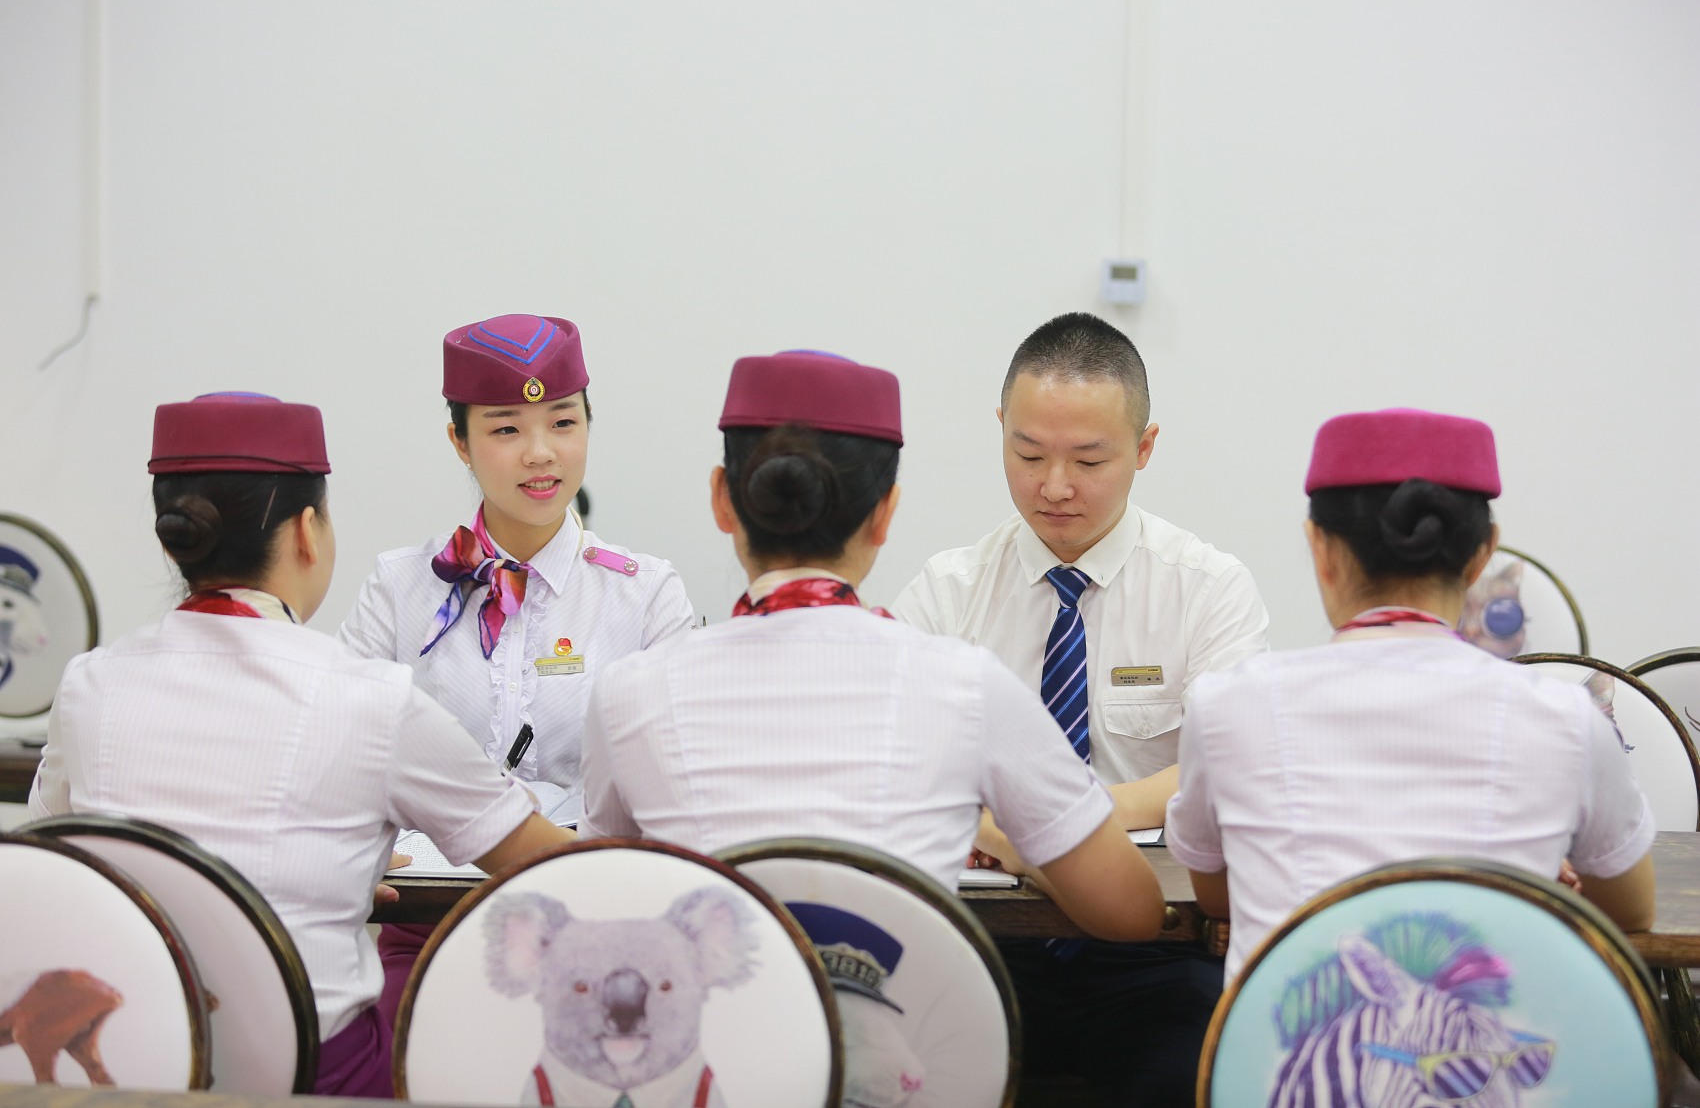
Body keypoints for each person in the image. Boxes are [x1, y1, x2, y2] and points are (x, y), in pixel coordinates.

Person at [30, 391, 575, 1096]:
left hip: (135, 1075)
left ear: (174, 540)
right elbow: (547, 861)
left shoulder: (90, 684)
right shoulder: (371, 696)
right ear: (308, 532)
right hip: (315, 1078)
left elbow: (58, 862)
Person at [579, 349, 1165, 946]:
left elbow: (596, 896)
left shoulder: (628, 694)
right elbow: (1131, 912)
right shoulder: (967, 687)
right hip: (905, 1008)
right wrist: (1014, 843)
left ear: (722, 500)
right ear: (885, 514)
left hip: (715, 1009)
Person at [891, 312, 1267, 1106]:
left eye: (1089, 459)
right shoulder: (947, 593)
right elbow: (896, 766)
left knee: (1195, 1071)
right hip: (978, 944)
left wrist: (1057, 825)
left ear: (1145, 446)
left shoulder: (1208, 589)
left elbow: (1228, 768)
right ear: (1000, 428)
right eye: (1028, 454)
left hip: (1155, 952)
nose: (1055, 485)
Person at [1165, 407, 1656, 981]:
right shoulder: (1568, 717)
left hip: (1280, 1039)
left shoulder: (1226, 707)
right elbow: (1631, 910)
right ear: (1483, 554)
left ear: (1319, 548)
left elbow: (1220, 896)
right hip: (1493, 1040)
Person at [340, 313, 694, 825]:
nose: (540, 454)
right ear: (460, 442)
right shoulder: (399, 586)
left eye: (563, 423)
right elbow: (339, 750)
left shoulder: (646, 595)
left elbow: (675, 781)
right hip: (433, 872)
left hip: (589, 866)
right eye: (506, 429)